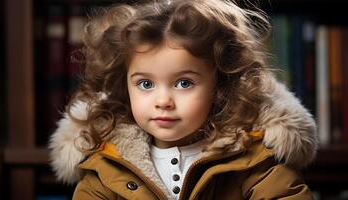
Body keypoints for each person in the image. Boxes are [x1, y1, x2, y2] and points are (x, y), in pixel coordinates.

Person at [49, 0, 318, 199]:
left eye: (183, 83)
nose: (163, 100)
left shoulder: (254, 160)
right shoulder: (104, 167)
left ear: (220, 84)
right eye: (145, 84)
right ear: (124, 85)